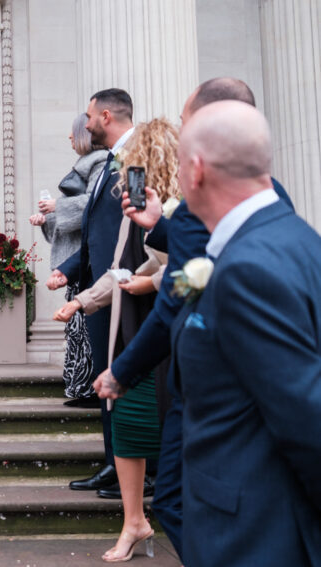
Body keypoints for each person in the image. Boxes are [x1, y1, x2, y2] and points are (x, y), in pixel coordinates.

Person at [92, 77, 295, 562]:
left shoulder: (196, 212)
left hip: (216, 388)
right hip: (241, 388)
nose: (181, 131)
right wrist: (159, 226)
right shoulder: (281, 208)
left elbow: (174, 301)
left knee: (179, 501)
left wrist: (121, 371)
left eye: (187, 120)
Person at [168, 100, 321, 565]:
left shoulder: (246, 270)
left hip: (254, 534)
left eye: (176, 165)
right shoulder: (299, 239)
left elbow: (308, 421)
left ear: (195, 171)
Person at [55, 118, 180, 562]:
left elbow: (192, 265)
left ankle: (174, 520)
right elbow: (123, 268)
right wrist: (82, 301)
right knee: (126, 424)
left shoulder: (177, 205)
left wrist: (152, 284)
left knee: (167, 431)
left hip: (167, 334)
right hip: (132, 330)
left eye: (130, 162)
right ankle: (134, 522)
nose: (123, 170)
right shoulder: (134, 208)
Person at [47, 88, 135, 493]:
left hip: (128, 293)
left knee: (124, 380)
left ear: (104, 116)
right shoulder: (107, 164)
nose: (83, 125)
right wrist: (69, 269)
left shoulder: (137, 159)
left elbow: (137, 231)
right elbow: (97, 234)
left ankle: (138, 469)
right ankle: (112, 463)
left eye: (87, 117)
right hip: (100, 291)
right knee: (105, 378)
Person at [30, 113, 109, 406]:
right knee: (76, 330)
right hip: (76, 259)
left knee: (83, 329)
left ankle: (88, 389)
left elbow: (94, 206)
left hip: (86, 261)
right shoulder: (87, 165)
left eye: (73, 132)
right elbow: (71, 222)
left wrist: (57, 205)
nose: (69, 137)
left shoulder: (101, 163)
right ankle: (79, 387)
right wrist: (46, 218)